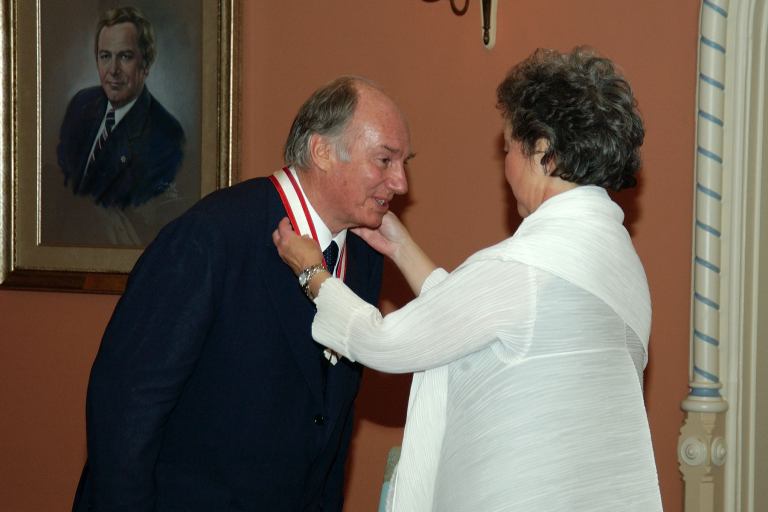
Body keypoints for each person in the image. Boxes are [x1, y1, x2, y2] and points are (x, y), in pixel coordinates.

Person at [274, 48, 664, 511]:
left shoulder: (529, 267)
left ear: (542, 152)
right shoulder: (617, 264)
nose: (506, 167)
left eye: (508, 149)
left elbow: (386, 342)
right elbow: (482, 324)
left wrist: (313, 273)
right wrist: (401, 247)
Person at [72, 76, 412, 511]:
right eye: (385, 160)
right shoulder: (212, 235)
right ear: (322, 152)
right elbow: (125, 405)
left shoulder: (363, 256)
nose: (400, 182)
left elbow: (330, 419)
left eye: (404, 163)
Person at [57, 6, 185, 210]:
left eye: (125, 56)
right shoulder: (80, 105)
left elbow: (136, 221)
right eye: (105, 56)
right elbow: (60, 184)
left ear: (146, 64)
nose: (113, 70)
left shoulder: (167, 137)